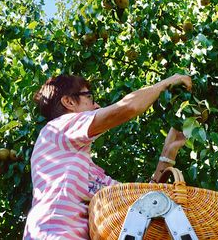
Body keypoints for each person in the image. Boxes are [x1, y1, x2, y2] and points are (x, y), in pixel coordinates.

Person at [23, 74, 192, 240]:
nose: (97, 106)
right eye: (89, 97)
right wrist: (166, 83)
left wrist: (168, 152)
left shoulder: (91, 173)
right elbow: (127, 107)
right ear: (69, 102)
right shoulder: (55, 129)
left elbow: (147, 202)